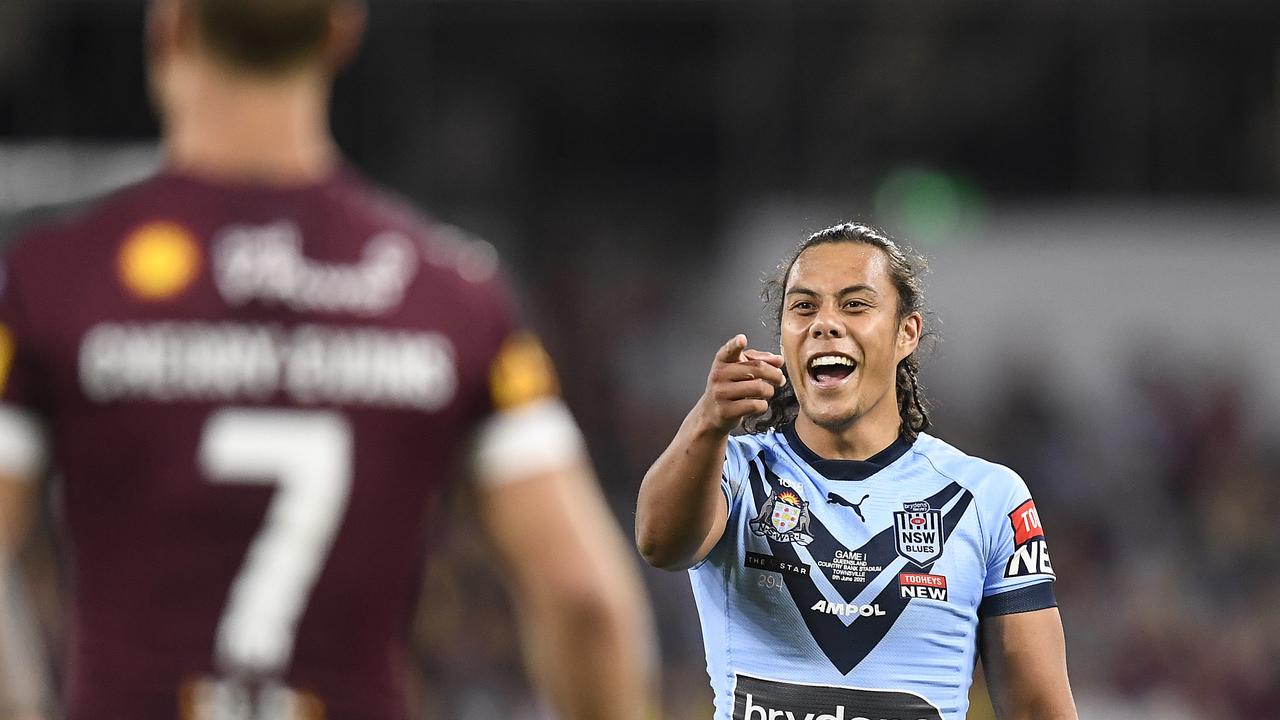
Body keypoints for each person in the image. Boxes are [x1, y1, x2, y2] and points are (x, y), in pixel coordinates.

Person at [0, 1, 656, 718]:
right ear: (343, 29)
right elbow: (586, 602)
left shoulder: (54, 281)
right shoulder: (449, 296)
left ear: (170, 25)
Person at [636, 222, 1076, 720]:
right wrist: (707, 423)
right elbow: (658, 544)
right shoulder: (734, 472)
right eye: (804, 307)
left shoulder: (987, 497)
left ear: (906, 332)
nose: (824, 323)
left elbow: (1039, 707)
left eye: (854, 304)